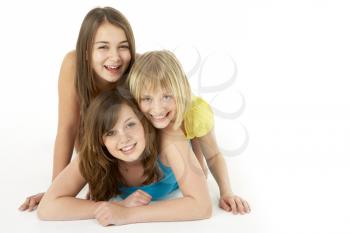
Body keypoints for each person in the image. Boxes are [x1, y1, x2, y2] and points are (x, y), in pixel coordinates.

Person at [19, 6, 136, 211]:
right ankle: (97, 179)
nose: (115, 57)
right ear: (85, 51)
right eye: (103, 47)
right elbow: (68, 128)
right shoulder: (73, 65)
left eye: (123, 46)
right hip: (97, 147)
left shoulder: (139, 69)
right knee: (86, 123)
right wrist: (57, 191)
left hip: (130, 150)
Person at [37, 90, 212, 226]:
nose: (124, 139)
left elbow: (202, 206)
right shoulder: (95, 153)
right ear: (101, 140)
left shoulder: (169, 138)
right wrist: (114, 207)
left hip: (187, 138)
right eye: (111, 132)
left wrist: (128, 215)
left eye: (130, 124)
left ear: (143, 122)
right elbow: (47, 208)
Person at [127, 50, 251, 214]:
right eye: (147, 98)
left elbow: (213, 156)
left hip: (183, 143)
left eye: (167, 97)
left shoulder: (196, 112)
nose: (157, 109)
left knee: (200, 170)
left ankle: (193, 146)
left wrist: (226, 192)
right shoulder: (132, 109)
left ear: (181, 91)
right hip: (149, 162)